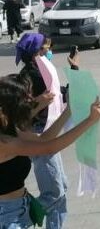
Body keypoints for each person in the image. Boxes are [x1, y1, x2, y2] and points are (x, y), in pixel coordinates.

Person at [0, 74, 100, 228]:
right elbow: (50, 147)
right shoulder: (5, 142)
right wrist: (90, 120)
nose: (30, 100)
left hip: (19, 208)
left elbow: (45, 139)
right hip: (8, 216)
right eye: (25, 99)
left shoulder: (10, 130)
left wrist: (69, 110)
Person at [16, 33, 69, 229]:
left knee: (62, 188)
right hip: (39, 133)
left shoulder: (40, 70)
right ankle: (17, 219)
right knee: (53, 193)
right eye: (44, 48)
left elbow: (58, 93)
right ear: (35, 52)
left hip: (47, 130)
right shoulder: (32, 75)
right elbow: (24, 111)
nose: (49, 51)